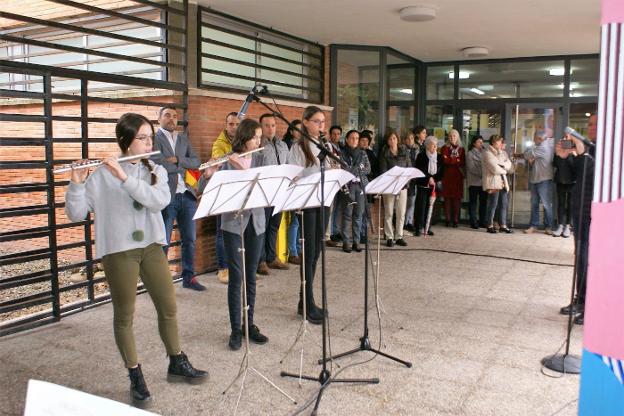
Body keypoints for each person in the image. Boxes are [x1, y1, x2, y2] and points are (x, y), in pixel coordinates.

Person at [65, 113, 207, 405]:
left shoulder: (154, 169)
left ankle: (176, 361)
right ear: (125, 141)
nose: (148, 142)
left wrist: (125, 177)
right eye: (141, 137)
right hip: (119, 251)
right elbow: (75, 214)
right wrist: (77, 183)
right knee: (125, 315)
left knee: (168, 306)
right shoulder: (102, 175)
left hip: (151, 246)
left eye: (148, 136)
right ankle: (135, 374)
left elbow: (159, 201)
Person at [200, 118, 269, 350]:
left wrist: (247, 170)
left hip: (256, 223)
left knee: (251, 276)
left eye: (260, 137)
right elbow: (201, 191)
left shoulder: (261, 158)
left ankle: (249, 324)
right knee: (236, 278)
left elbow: (267, 188)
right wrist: (208, 174)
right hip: (233, 224)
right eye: (255, 137)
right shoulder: (227, 160)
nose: (259, 141)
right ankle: (235, 330)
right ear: (244, 137)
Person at [152, 106, 204, 291]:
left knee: (189, 239)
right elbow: (158, 165)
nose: (172, 119)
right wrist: (181, 166)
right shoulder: (154, 139)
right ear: (159, 118)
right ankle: (160, 283)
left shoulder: (183, 139)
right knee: (163, 241)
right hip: (167, 196)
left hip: (188, 195)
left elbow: (196, 161)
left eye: (175, 116)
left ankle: (189, 278)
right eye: (167, 115)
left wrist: (178, 161)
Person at [288, 106, 330, 325]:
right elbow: (293, 176)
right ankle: (306, 301)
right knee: (309, 251)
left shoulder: (325, 145)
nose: (320, 125)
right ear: (305, 122)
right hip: (307, 203)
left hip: (323, 202)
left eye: (322, 122)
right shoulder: (297, 147)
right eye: (316, 121)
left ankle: (306, 300)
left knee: (317, 253)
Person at [556, 114, 597, 325]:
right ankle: (581, 299)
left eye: (595, 125)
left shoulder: (606, 150)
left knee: (592, 259)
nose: (590, 128)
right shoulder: (586, 150)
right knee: (581, 256)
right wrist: (564, 158)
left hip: (596, 213)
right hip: (580, 210)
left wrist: (581, 154)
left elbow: (594, 173)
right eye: (589, 124)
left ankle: (593, 304)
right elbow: (570, 176)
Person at [256, 113, 290, 275]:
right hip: (264, 191)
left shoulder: (283, 145)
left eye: (273, 125)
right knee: (262, 226)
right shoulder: (258, 145)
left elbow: (288, 164)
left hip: (280, 191)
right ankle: (260, 260)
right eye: (267, 125)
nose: (270, 129)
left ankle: (271, 257)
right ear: (261, 127)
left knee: (274, 225)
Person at [211, 112, 240, 284]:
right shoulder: (219, 143)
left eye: (237, 124)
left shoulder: (243, 142)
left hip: (238, 191)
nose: (234, 127)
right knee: (222, 232)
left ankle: (235, 269)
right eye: (231, 124)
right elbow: (217, 161)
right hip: (223, 191)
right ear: (226, 125)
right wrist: (233, 155)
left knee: (236, 232)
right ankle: (222, 269)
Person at [340, 130, 371, 253]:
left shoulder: (363, 153)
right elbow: (344, 169)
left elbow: (368, 169)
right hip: (348, 186)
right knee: (347, 215)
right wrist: (358, 168)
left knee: (358, 215)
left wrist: (355, 169)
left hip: (361, 186)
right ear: (347, 139)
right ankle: (346, 242)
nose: (354, 140)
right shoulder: (341, 153)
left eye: (357, 138)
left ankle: (356, 242)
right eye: (352, 138)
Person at [378, 129, 410, 247]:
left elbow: (409, 166)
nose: (393, 141)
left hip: (402, 186)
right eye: (390, 139)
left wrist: (405, 178)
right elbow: (383, 171)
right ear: (387, 141)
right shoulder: (384, 154)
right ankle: (389, 237)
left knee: (401, 212)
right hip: (389, 187)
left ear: (398, 139)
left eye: (394, 138)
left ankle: (399, 236)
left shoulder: (404, 151)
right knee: (389, 212)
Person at [522, 131, 555, 234]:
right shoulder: (540, 147)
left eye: (535, 138)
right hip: (535, 179)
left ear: (540, 139)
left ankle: (548, 226)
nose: (533, 140)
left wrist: (531, 152)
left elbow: (527, 155)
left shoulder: (543, 147)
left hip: (543, 180)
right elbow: (530, 157)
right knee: (534, 204)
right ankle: (534, 226)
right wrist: (532, 154)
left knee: (546, 204)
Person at [482, 134, 513, 234]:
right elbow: (494, 169)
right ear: (494, 142)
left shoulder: (502, 153)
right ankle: (490, 225)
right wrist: (504, 170)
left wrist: (502, 166)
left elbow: (509, 164)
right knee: (493, 204)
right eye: (499, 141)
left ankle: (503, 225)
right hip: (493, 182)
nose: (501, 143)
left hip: (503, 182)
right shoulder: (487, 153)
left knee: (504, 204)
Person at [413, 136, 444, 236]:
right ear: (427, 145)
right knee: (420, 207)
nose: (434, 147)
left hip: (433, 186)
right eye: (432, 145)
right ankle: (418, 228)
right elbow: (419, 170)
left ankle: (428, 227)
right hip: (422, 185)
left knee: (430, 207)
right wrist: (428, 178)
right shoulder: (421, 156)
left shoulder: (439, 157)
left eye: (436, 145)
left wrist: (434, 179)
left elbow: (442, 172)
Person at [283, 120, 303, 264]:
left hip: (301, 184)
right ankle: (293, 252)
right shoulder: (289, 146)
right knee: (294, 221)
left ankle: (298, 249)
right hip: (292, 186)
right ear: (291, 131)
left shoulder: (302, 145)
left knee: (299, 220)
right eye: (297, 129)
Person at [440, 129, 466, 227]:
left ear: (457, 137)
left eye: (454, 136)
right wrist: (455, 160)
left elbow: (462, 162)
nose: (452, 137)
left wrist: (450, 159)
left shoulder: (461, 149)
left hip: (457, 176)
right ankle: (447, 219)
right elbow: (444, 160)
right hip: (447, 176)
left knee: (456, 199)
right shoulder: (444, 148)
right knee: (447, 198)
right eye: (450, 136)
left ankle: (455, 220)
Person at [359, 130, 378, 244]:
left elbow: (374, 170)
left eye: (367, 141)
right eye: (362, 140)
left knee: (367, 211)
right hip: (358, 185)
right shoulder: (357, 153)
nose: (364, 143)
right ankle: (360, 234)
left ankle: (364, 233)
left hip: (370, 185)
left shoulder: (371, 154)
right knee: (360, 211)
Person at [552, 143, 575, 238]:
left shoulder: (574, 152)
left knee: (570, 204)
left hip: (572, 182)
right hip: (560, 181)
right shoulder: (559, 151)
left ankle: (568, 226)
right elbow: (555, 164)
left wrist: (569, 154)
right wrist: (558, 154)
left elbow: (574, 166)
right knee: (561, 204)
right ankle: (560, 225)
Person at [326, 125, 344, 245]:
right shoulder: (327, 146)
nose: (336, 136)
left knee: (337, 208)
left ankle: (335, 231)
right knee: (330, 209)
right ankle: (327, 235)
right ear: (330, 135)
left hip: (340, 181)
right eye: (334, 134)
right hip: (331, 181)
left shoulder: (342, 147)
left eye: (338, 134)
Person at [466, 135, 488, 229]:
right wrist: (483, 173)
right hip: (474, 182)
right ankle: (473, 222)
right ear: (474, 143)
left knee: (483, 203)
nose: (481, 143)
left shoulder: (485, 153)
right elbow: (471, 168)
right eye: (479, 142)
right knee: (473, 203)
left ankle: (482, 221)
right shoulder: (470, 153)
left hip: (483, 182)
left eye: (482, 142)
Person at [403, 130, 419, 232]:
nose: (410, 140)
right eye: (408, 139)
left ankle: (409, 222)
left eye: (412, 138)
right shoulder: (402, 149)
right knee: (404, 202)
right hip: (404, 178)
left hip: (413, 178)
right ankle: (404, 222)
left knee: (412, 202)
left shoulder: (417, 149)